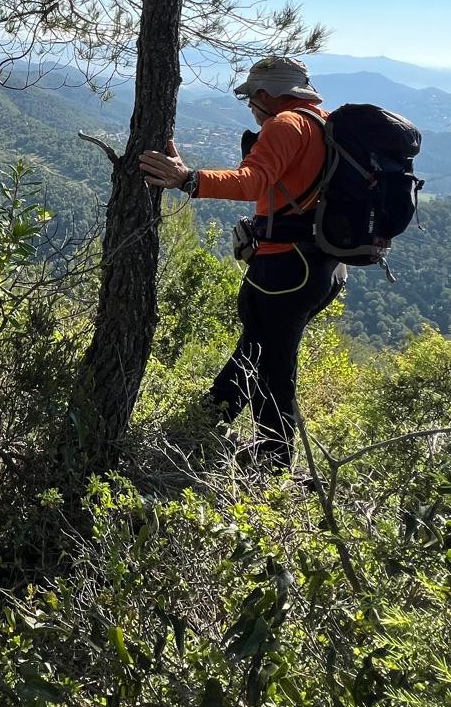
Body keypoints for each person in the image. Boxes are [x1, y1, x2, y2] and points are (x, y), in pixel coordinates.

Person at [140, 55, 345, 467]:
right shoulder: (323, 123)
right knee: (259, 345)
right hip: (323, 264)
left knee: (274, 363)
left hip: (286, 267)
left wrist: (189, 179)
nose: (251, 106)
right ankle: (212, 414)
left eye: (252, 97)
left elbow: (251, 181)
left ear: (267, 94)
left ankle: (274, 456)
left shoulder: (285, 124)